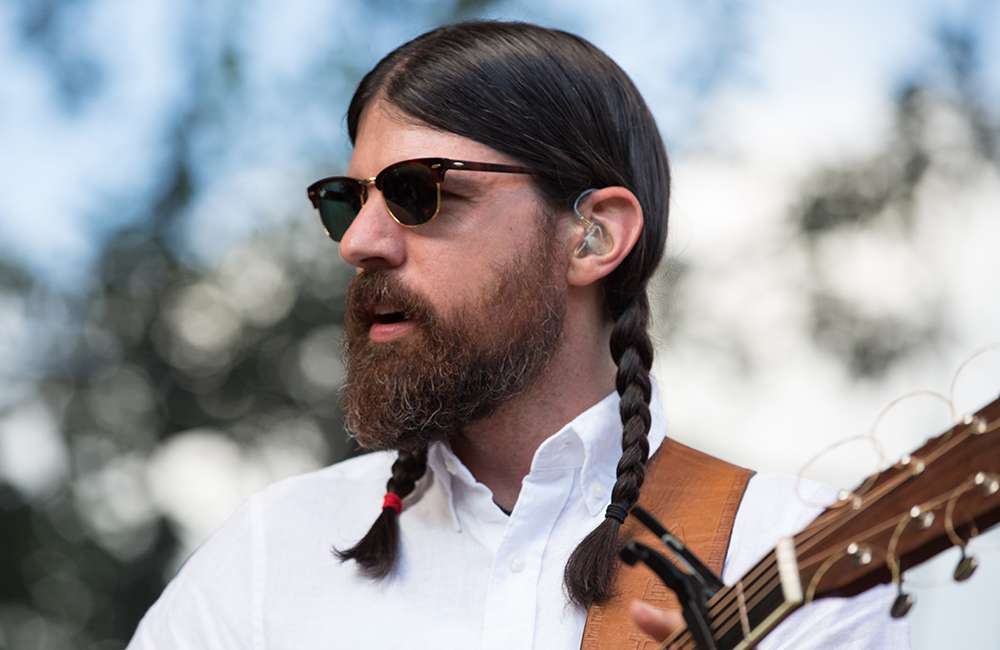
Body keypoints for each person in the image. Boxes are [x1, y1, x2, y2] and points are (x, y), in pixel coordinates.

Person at [127, 21, 909, 649]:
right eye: (346, 201)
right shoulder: (270, 557)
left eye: (417, 192)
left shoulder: (796, 550)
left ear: (592, 238)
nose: (358, 242)